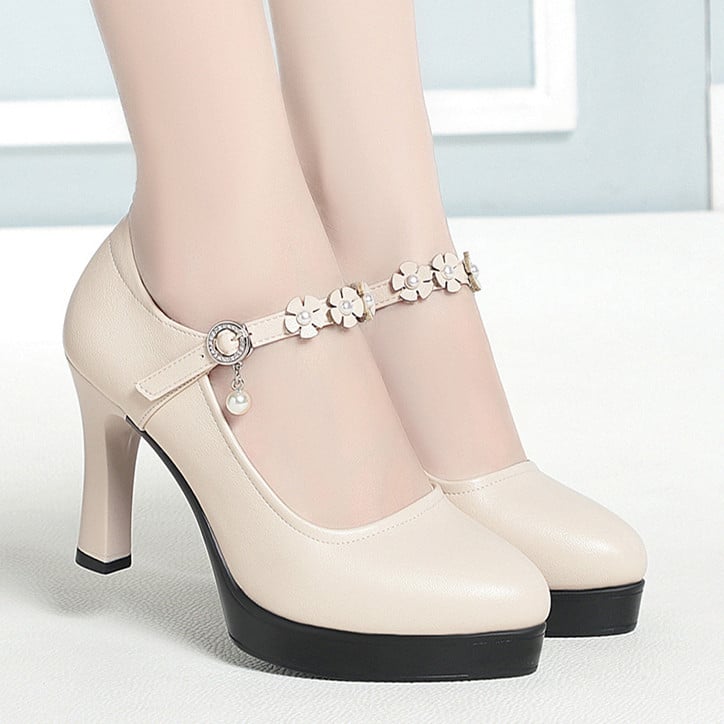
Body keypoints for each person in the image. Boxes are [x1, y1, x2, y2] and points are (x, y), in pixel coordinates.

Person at [63, 0, 646, 680]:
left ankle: (359, 239)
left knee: (371, 183)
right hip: (222, 305)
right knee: (230, 192)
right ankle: (221, 257)